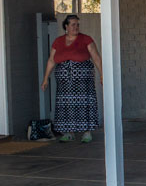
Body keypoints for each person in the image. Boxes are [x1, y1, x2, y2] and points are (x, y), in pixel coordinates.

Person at [40, 14, 103, 142]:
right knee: (66, 105)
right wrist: (45, 78)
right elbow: (51, 60)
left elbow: (96, 57)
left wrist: (102, 74)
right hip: (64, 81)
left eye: (77, 24)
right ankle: (69, 132)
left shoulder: (86, 39)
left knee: (84, 104)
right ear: (66, 26)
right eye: (73, 24)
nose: (76, 27)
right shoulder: (58, 41)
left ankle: (87, 132)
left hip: (83, 80)